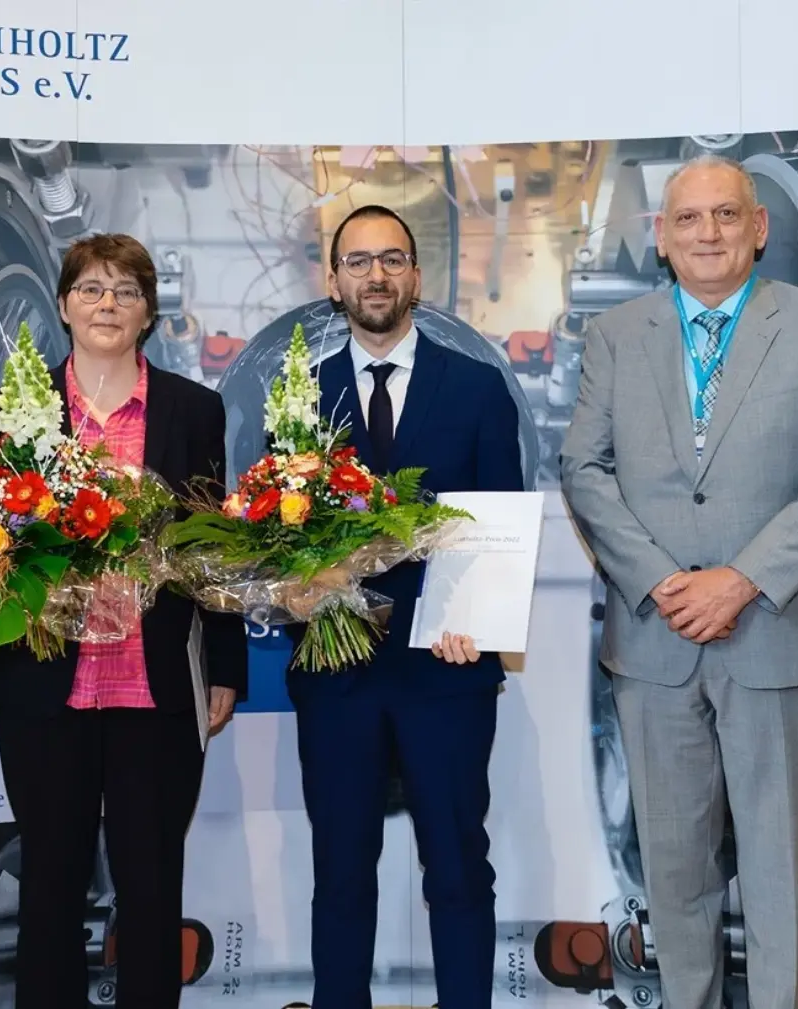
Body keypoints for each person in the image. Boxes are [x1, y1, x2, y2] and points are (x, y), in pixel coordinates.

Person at [559, 154, 798, 1009]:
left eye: (726, 215)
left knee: (780, 873)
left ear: (759, 228)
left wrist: (741, 579)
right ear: (661, 238)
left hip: (779, 637)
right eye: (690, 219)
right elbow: (583, 469)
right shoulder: (618, 336)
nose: (709, 233)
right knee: (674, 874)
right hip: (657, 641)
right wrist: (665, 579)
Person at [0, 233, 249, 1009]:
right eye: (91, 288)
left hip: (154, 690)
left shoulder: (194, 409)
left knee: (153, 891)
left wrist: (225, 664)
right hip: (44, 687)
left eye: (126, 291)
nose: (107, 304)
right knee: (51, 890)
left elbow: (211, 543)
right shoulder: (15, 408)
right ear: (63, 305)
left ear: (149, 313)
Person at [290, 204, 525, 1009]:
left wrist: (484, 622)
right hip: (337, 675)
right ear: (333, 281)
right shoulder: (302, 397)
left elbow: (499, 522)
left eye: (392, 259)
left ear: (417, 277)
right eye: (358, 261)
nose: (376, 275)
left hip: (447, 672)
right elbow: (278, 532)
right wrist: (294, 586)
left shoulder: (480, 389)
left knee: (458, 867)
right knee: (341, 873)